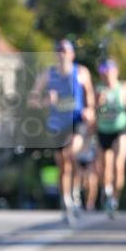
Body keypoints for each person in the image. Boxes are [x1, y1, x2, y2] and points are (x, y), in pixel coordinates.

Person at [28, 39, 95, 223]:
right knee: (63, 165)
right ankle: (66, 199)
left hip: (77, 121)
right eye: (59, 50)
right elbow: (31, 100)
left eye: (65, 51)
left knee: (71, 153)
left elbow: (89, 95)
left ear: (72, 54)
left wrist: (90, 109)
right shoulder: (48, 75)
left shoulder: (81, 72)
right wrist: (45, 102)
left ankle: (74, 194)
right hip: (57, 124)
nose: (62, 54)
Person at [95, 58, 126, 215]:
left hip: (120, 130)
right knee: (105, 168)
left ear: (116, 72)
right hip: (103, 131)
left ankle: (114, 199)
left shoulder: (124, 87)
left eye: (109, 71)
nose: (107, 75)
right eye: (103, 72)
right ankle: (107, 191)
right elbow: (92, 108)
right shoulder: (99, 88)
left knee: (118, 164)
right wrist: (98, 102)